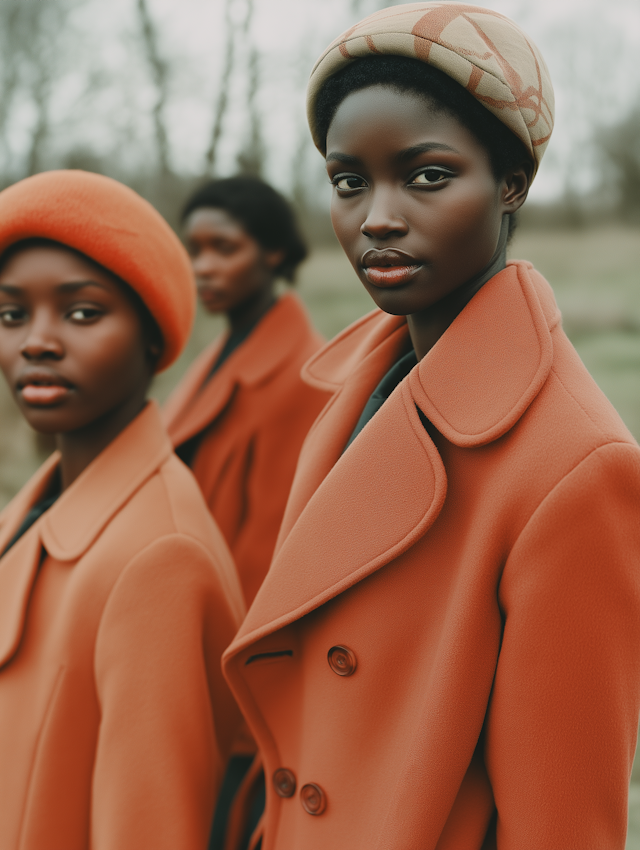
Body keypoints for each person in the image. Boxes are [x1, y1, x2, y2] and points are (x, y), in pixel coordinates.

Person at [221, 5, 640, 850]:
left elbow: (563, 824)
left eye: (426, 176)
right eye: (349, 181)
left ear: (512, 182)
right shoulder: (353, 388)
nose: (376, 216)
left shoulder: (576, 467)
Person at [0, 170, 245, 850]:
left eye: (82, 313)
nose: (36, 343)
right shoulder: (34, 510)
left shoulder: (156, 558)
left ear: (151, 335)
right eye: (11, 313)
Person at [164, 176, 331, 609]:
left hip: (227, 617)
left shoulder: (303, 375)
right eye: (195, 250)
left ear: (273, 252)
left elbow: (272, 549)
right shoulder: (223, 350)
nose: (202, 266)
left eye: (224, 248)